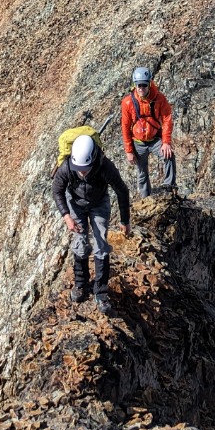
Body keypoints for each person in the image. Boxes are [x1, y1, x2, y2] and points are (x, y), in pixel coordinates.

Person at [51, 132, 130, 315]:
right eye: (79, 168)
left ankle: (101, 293)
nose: (82, 172)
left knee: (101, 244)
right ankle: (81, 285)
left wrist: (125, 220)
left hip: (99, 203)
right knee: (80, 243)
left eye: (85, 168)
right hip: (75, 204)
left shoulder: (105, 166)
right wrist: (67, 216)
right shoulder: (68, 167)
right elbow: (57, 190)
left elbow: (122, 191)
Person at [122, 65, 175, 198]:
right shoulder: (128, 103)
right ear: (134, 85)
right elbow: (125, 126)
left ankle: (169, 187)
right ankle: (146, 199)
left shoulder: (159, 98)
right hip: (138, 143)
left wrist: (166, 142)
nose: (141, 88)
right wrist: (129, 150)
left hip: (155, 140)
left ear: (149, 84)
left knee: (168, 156)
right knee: (142, 174)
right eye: (138, 85)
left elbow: (167, 119)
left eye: (144, 85)